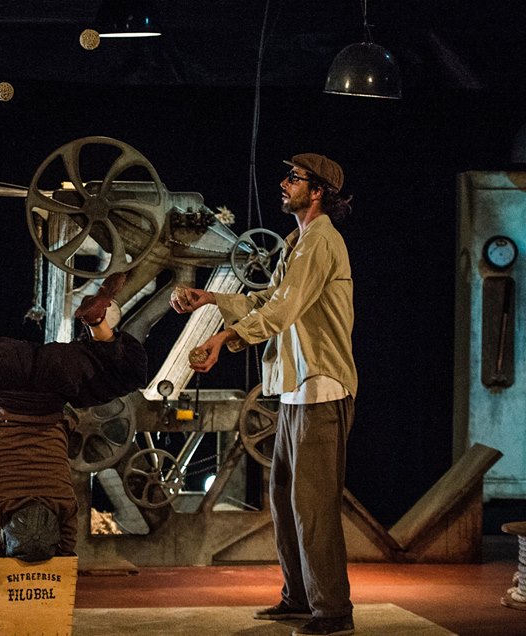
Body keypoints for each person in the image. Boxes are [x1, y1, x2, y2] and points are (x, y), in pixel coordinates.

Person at [171, 154, 357, 636]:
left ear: (317, 191)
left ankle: (333, 611)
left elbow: (283, 311)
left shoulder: (321, 242)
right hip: (296, 390)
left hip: (321, 389)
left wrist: (224, 338)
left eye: (294, 178)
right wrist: (213, 299)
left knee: (313, 507)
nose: (284, 183)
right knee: (284, 499)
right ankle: (299, 597)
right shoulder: (297, 242)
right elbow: (267, 300)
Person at [0, 257, 146, 561]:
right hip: (3, 372)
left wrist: (55, 554)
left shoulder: (63, 503)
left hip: (59, 373)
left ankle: (97, 323)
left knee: (124, 375)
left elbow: (67, 551)